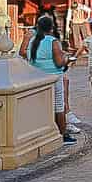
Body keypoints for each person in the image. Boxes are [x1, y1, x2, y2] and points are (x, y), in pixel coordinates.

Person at [24, 14, 73, 143]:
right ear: (51, 28)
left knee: (42, 106)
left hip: (37, 78)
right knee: (58, 106)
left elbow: (26, 56)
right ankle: (63, 134)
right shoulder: (52, 41)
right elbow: (58, 62)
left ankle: (43, 133)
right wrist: (67, 59)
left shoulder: (32, 41)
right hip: (54, 77)